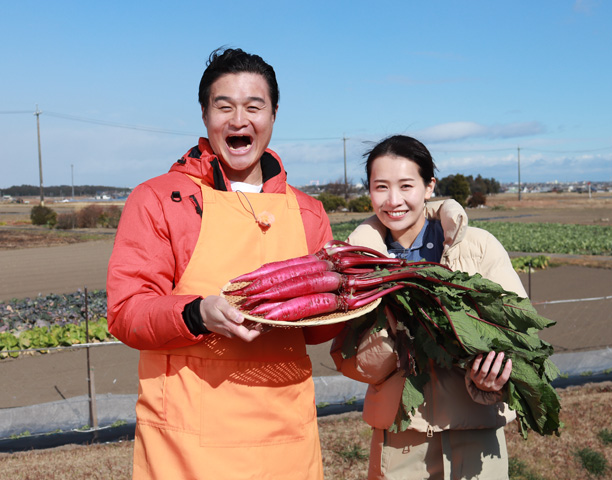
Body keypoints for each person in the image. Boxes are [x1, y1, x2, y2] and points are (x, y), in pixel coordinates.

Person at [107, 47, 340, 480]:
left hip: (284, 438)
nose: (239, 120)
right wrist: (197, 313)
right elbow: (127, 313)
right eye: (224, 106)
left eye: (254, 106)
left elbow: (319, 331)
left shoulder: (307, 212)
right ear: (203, 114)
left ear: (273, 115)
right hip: (186, 442)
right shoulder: (159, 200)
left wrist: (353, 297)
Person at [331, 135, 528, 479]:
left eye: (406, 185)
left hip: (477, 432)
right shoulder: (355, 267)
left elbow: (521, 333)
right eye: (381, 187)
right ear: (369, 191)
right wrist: (400, 339)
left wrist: (492, 377)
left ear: (428, 186)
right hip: (401, 437)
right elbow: (348, 360)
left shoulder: (477, 247)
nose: (393, 201)